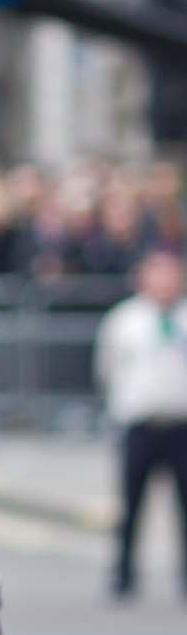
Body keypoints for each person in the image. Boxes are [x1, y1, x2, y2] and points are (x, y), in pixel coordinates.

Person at [95, 247, 187, 598]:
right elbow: (106, 369)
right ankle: (124, 575)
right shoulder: (124, 320)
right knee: (131, 506)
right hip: (140, 424)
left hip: (181, 423)